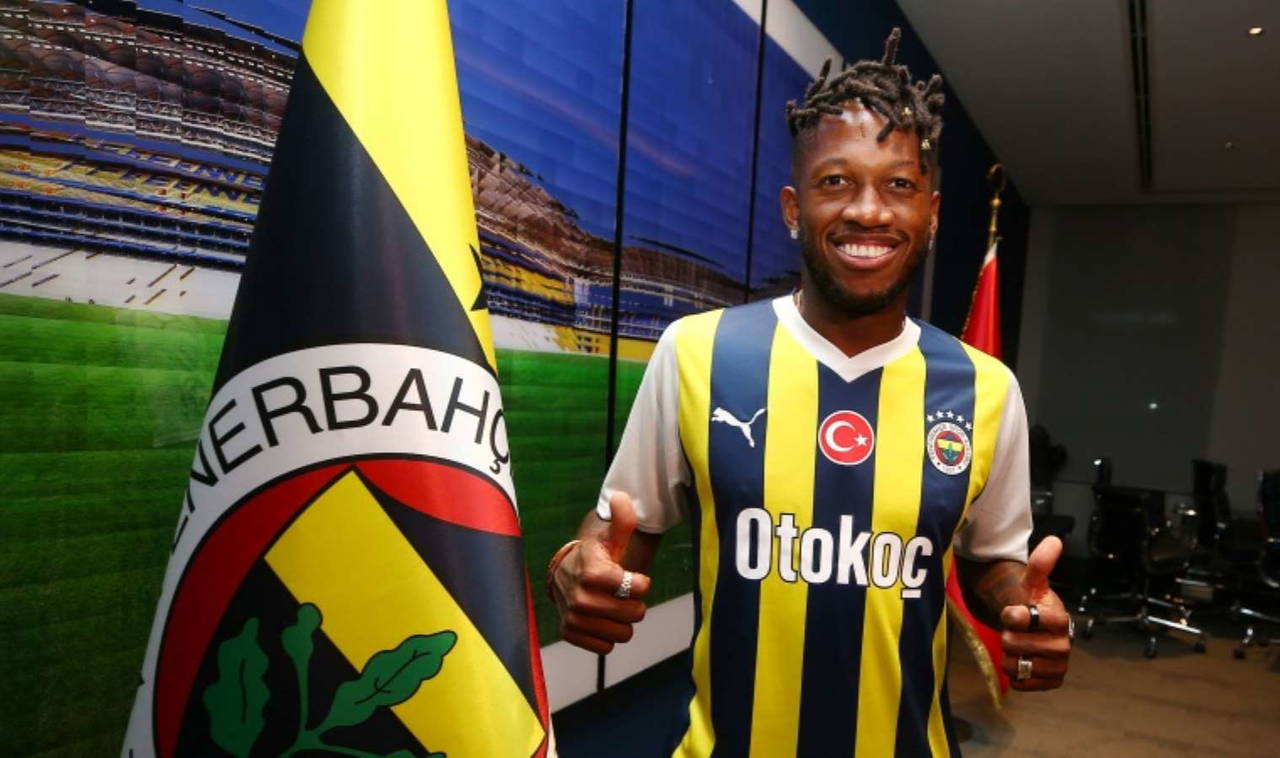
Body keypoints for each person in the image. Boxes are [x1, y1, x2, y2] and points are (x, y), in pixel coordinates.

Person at [547, 28, 1071, 757]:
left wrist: (1021, 606)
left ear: (932, 213)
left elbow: (990, 560)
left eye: (898, 186)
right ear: (794, 209)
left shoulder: (986, 389)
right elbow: (622, 532)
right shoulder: (698, 352)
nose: (868, 211)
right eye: (836, 182)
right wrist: (578, 566)